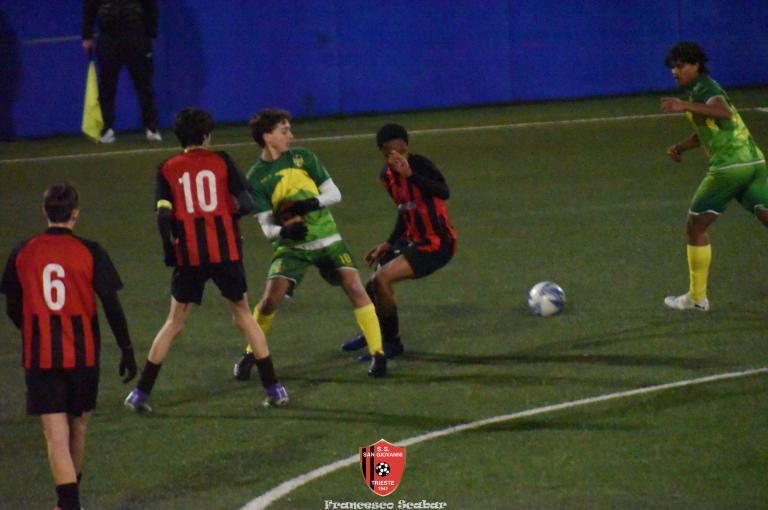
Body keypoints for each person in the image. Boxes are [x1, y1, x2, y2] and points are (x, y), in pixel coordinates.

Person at [124, 108, 288, 411]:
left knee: (174, 322)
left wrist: (169, 247)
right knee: (243, 316)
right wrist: (225, 216)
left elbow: (163, 216)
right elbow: (246, 203)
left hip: (189, 254)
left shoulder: (167, 168)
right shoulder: (222, 160)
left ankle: (140, 393)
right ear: (206, 136)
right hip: (225, 251)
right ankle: (274, 388)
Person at [0, 183, 137, 510]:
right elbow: (112, 305)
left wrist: (34, 331)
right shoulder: (91, 251)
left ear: (44, 211)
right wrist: (127, 349)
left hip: (41, 357)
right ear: (75, 214)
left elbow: (12, 306)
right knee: (78, 428)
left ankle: (68, 504)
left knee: (55, 437)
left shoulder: (23, 251)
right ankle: (70, 504)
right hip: (83, 355)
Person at [232, 108, 387, 379]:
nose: (291, 136)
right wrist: (286, 231)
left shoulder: (304, 158)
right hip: (293, 248)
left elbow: (334, 194)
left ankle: (378, 354)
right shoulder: (255, 178)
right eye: (284, 131)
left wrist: (310, 203)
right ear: (267, 136)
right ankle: (250, 354)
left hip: (328, 239)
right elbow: (267, 227)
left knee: (354, 286)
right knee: (269, 300)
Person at [660, 42, 768, 312]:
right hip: (753, 162)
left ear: (696, 65)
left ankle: (697, 298)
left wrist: (683, 105)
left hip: (729, 167)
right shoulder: (700, 89)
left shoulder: (705, 88)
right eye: (672, 67)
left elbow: (723, 112)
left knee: (695, 226)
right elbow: (710, 128)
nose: (675, 71)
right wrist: (681, 147)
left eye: (680, 66)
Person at [342, 124, 457, 359]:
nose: (396, 158)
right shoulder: (386, 176)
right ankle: (373, 331)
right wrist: (389, 243)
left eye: (400, 152)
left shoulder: (420, 165)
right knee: (370, 287)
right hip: (412, 241)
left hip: (437, 243)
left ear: (407, 147)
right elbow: (405, 210)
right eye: (389, 154)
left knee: (381, 280)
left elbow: (443, 192)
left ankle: (392, 343)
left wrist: (411, 175)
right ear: (381, 152)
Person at [82, 0, 162, 143]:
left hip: (136, 36)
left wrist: (151, 34)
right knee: (106, 87)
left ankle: (151, 128)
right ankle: (107, 129)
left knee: (144, 85)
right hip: (108, 38)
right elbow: (90, 7)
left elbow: (150, 6)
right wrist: (86, 35)